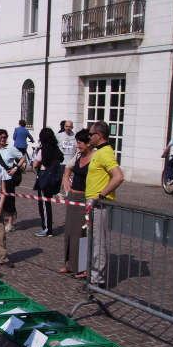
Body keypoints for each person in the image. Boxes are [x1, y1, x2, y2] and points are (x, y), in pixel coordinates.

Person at [86, 121, 124, 286]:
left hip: (99, 204)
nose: (89, 137)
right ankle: (93, 276)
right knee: (93, 240)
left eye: (91, 134)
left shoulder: (105, 153)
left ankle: (97, 280)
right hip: (92, 203)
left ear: (99, 135)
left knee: (98, 241)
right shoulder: (99, 152)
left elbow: (118, 176)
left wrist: (101, 194)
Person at [61, 129, 93, 276]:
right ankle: (69, 264)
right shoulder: (78, 155)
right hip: (73, 197)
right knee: (69, 232)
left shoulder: (95, 157)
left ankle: (82, 267)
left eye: (80, 143)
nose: (78, 146)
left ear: (88, 143)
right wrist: (66, 180)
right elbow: (68, 167)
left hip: (85, 199)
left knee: (81, 233)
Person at [33, 128, 63, 237]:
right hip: (53, 179)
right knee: (48, 203)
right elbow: (61, 158)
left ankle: (47, 229)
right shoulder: (56, 149)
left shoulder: (43, 150)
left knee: (44, 205)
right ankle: (47, 228)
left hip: (44, 178)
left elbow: (35, 164)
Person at [0, 129, 25, 232]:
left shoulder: (11, 149)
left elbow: (22, 158)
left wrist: (15, 168)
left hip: (8, 178)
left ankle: (10, 223)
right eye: (1, 137)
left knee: (9, 200)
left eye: (4, 137)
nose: (3, 139)